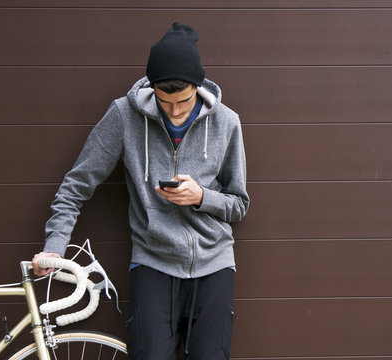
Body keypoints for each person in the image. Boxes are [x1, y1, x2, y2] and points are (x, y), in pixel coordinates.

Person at [31, 22, 249, 360]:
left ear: (198, 87)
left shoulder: (226, 122)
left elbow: (238, 205)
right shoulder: (124, 115)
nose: (175, 111)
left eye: (184, 102)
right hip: (153, 264)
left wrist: (201, 197)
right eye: (165, 102)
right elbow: (76, 184)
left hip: (214, 266)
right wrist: (55, 245)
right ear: (152, 89)